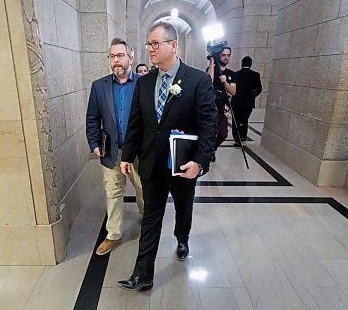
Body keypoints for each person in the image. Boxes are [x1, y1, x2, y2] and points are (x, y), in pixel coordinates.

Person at [116, 22, 217, 291]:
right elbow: (136, 123)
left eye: (155, 43)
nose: (150, 49)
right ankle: (142, 274)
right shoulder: (144, 82)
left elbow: (209, 125)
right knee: (151, 217)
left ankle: (182, 237)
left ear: (174, 45)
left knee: (184, 207)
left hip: (183, 164)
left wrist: (200, 162)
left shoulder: (198, 80)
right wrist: (127, 156)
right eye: (148, 44)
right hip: (152, 164)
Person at [85, 37, 144, 256]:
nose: (116, 60)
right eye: (112, 56)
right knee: (112, 192)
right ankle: (113, 234)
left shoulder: (143, 84)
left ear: (131, 57)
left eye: (120, 55)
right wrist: (94, 143)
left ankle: (146, 217)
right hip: (111, 151)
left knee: (142, 188)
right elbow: (92, 118)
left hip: (139, 152)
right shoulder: (99, 86)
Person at [206, 46, 236, 160]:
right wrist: (212, 61)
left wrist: (225, 82)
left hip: (223, 107)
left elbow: (233, 91)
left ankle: (213, 148)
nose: (226, 57)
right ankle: (207, 151)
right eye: (223, 55)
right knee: (209, 132)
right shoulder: (211, 69)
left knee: (223, 133)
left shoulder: (232, 74)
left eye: (228, 55)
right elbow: (209, 80)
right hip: (211, 106)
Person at [229, 56, 262, 146]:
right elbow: (259, 89)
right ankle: (243, 136)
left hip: (236, 101)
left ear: (242, 63)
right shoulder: (255, 75)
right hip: (248, 102)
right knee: (244, 120)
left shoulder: (236, 74)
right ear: (251, 64)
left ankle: (237, 139)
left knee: (236, 120)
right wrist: (252, 96)